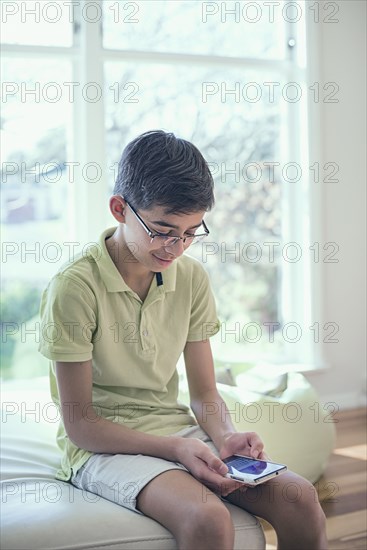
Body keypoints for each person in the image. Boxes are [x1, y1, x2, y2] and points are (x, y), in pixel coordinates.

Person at [39, 130, 328, 550]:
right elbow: (81, 425)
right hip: (103, 447)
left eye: (192, 232)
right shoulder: (74, 287)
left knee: (299, 497)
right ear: (120, 209)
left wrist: (226, 434)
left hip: (175, 429)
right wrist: (174, 449)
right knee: (206, 516)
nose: (177, 247)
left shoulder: (190, 277)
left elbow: (205, 392)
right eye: (163, 230)